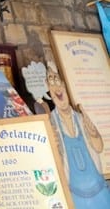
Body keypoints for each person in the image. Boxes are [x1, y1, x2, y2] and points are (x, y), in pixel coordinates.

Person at [47, 67, 110, 208]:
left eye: (57, 80)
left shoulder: (81, 118)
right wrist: (52, 146)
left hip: (100, 190)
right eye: (51, 82)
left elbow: (99, 147)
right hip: (74, 196)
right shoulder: (50, 123)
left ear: (64, 85)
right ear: (50, 93)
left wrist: (94, 133)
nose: (56, 85)